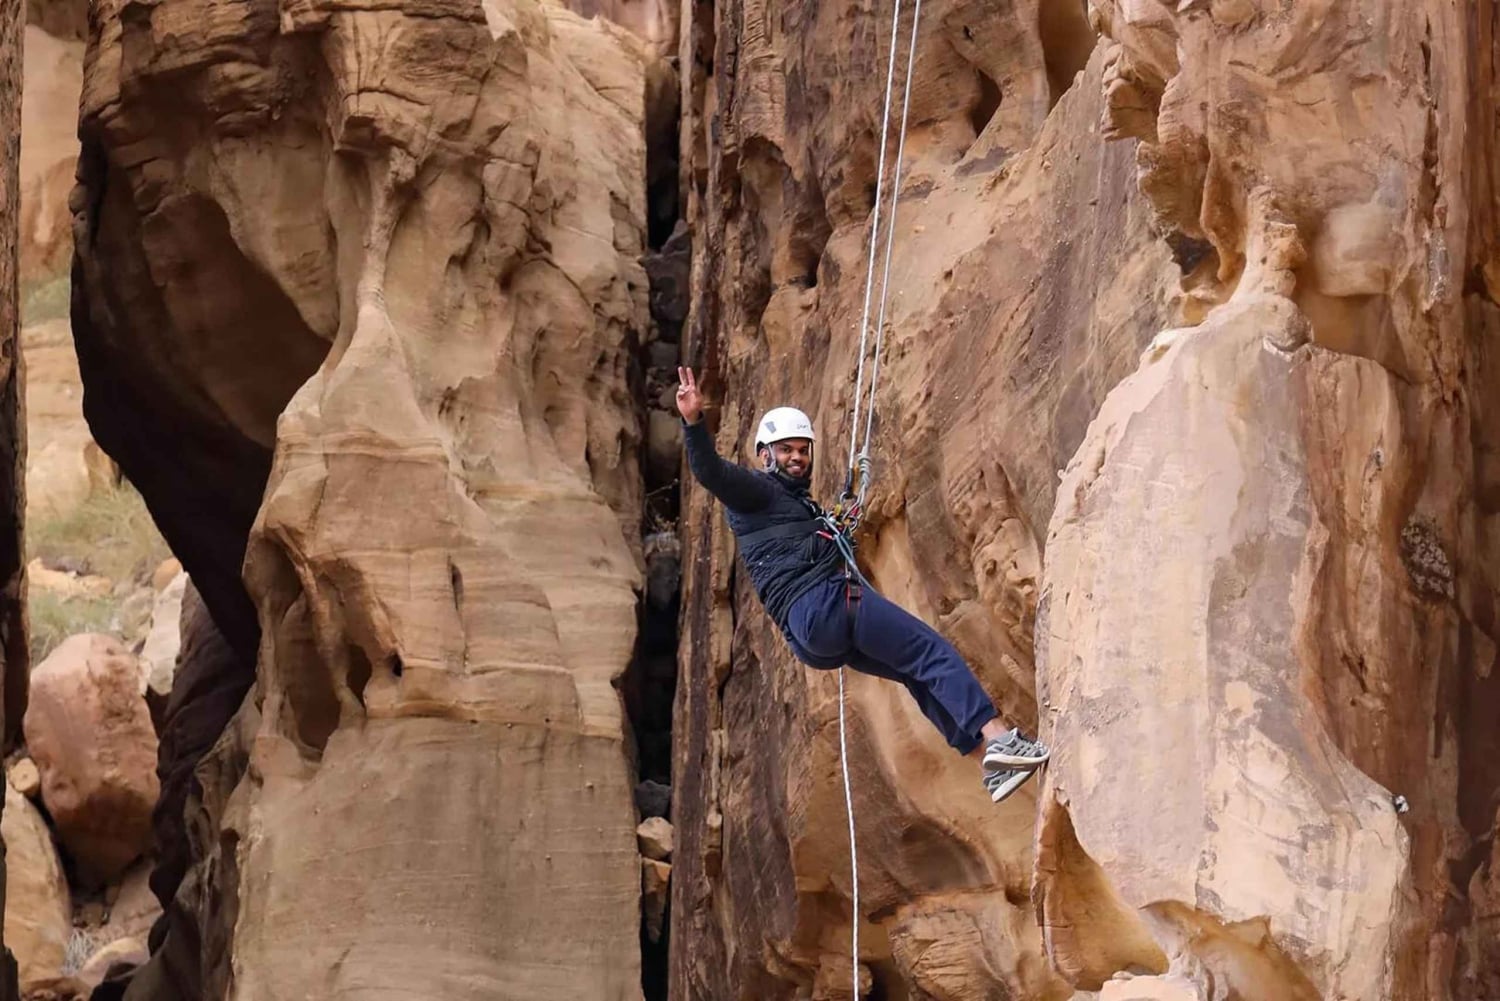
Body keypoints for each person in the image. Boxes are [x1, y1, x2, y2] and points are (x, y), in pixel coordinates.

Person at [674, 367, 1050, 803]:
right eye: (785, 450)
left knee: (915, 674)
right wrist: (693, 423)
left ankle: (989, 761)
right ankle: (1002, 739)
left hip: (813, 640)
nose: (796, 457)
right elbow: (711, 473)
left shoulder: (792, 506)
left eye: (802, 449)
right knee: (930, 651)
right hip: (828, 604)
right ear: (764, 455)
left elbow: (803, 542)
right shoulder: (755, 492)